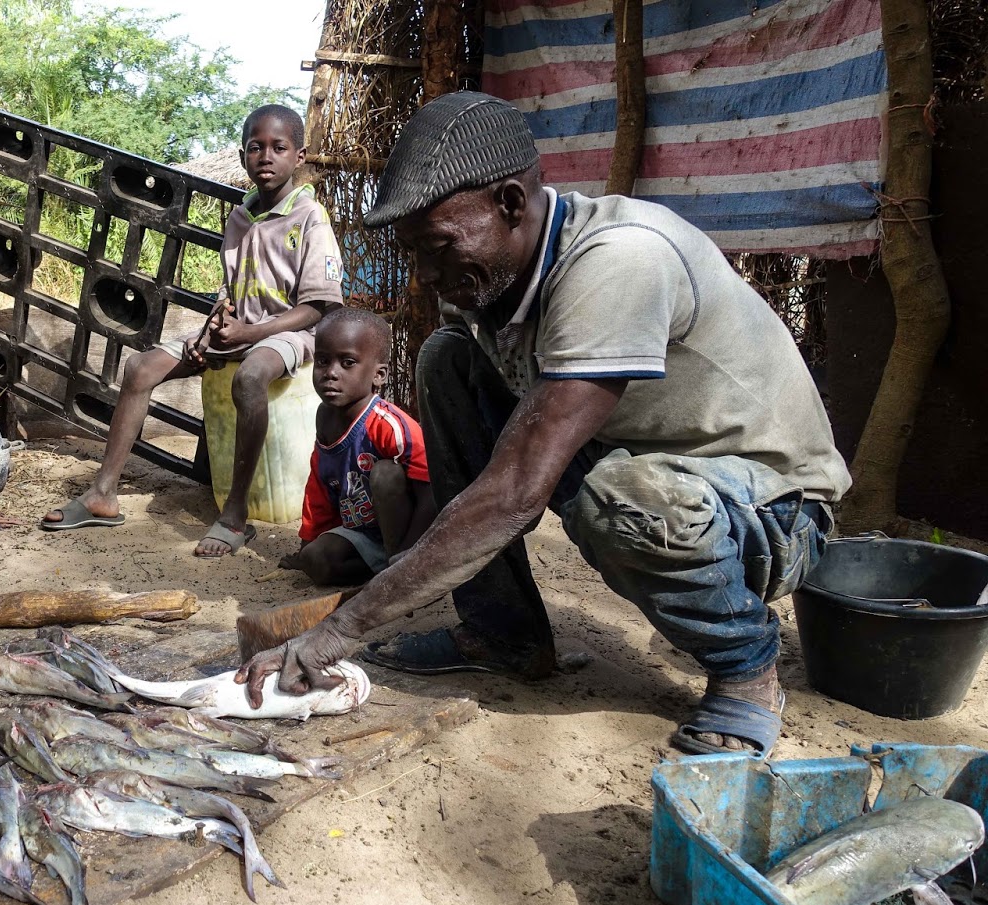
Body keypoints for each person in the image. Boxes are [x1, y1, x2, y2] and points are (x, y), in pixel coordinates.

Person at [238, 91, 850, 759]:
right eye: (415, 252)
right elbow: (495, 471)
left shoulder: (619, 261)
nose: (427, 274)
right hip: (645, 464)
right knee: (448, 361)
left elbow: (517, 489)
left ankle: (745, 666)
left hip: (773, 510)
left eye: (438, 246)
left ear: (509, 204)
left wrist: (341, 628)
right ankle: (503, 634)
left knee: (622, 501)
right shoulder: (490, 280)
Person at [42, 104, 345, 557]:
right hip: (235, 328)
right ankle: (102, 493)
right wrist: (214, 329)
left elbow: (318, 307)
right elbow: (230, 289)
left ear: (299, 156)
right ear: (243, 156)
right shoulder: (241, 217)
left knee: (249, 377)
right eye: (256, 148)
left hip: (289, 333)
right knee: (141, 367)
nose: (266, 156)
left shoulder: (309, 218)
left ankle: (235, 515)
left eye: (279, 148)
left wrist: (249, 336)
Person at [281, 308, 435, 586]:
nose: (331, 373)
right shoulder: (324, 417)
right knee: (315, 561)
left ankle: (401, 570)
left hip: (409, 532)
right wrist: (307, 543)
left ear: (379, 375)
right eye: (323, 361)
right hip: (360, 533)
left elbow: (432, 490)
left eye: (347, 362)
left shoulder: (389, 425)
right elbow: (320, 481)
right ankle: (380, 574)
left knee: (385, 475)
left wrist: (409, 554)